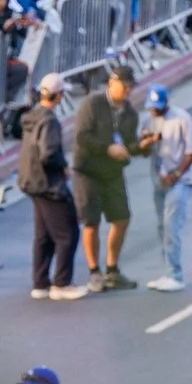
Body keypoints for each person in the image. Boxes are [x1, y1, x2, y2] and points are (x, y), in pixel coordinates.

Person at [18, 73, 85, 300]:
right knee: (68, 234)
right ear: (58, 95)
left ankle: (40, 282)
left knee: (43, 234)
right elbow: (48, 154)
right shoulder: (50, 121)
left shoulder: (32, 117)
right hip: (49, 184)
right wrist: (64, 166)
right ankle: (62, 283)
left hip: (32, 182)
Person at [73, 68, 139, 291]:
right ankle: (94, 272)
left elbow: (129, 142)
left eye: (131, 86)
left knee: (122, 218)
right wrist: (107, 149)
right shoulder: (93, 104)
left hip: (113, 172)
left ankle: (112, 269)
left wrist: (140, 147)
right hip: (89, 171)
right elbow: (82, 136)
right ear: (113, 83)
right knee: (91, 222)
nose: (128, 90)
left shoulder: (130, 113)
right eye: (125, 85)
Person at [138, 84, 192, 291]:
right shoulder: (148, 121)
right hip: (158, 179)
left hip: (179, 180)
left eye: (158, 106)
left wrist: (177, 174)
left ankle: (176, 274)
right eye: (152, 106)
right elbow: (144, 152)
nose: (154, 110)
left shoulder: (182, 119)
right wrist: (145, 144)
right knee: (161, 227)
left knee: (172, 227)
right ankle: (167, 271)